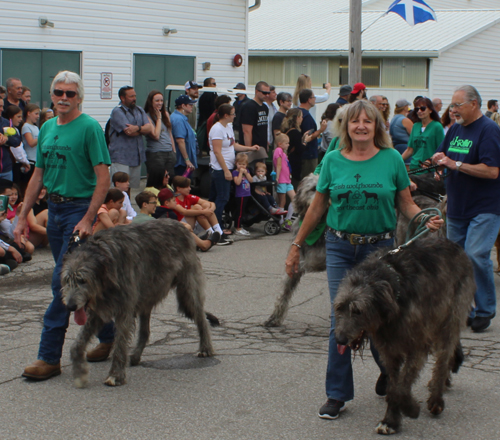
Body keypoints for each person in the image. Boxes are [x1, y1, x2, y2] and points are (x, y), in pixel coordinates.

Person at [284, 99, 442, 420]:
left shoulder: (392, 159)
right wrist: (296, 244)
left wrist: (425, 218)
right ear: (346, 127)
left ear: (376, 126)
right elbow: (316, 207)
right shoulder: (332, 160)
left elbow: (406, 204)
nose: (360, 126)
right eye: (354, 121)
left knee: (380, 318)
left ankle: (388, 369)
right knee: (340, 320)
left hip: (379, 250)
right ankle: (337, 394)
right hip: (340, 247)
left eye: (367, 122)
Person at [14, 70, 116, 380]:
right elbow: (38, 176)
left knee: (63, 284)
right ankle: (110, 336)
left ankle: (48, 358)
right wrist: (22, 216)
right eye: (58, 92)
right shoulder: (45, 127)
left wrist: (88, 218)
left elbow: (103, 178)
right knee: (78, 282)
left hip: (77, 212)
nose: (63, 98)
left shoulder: (89, 129)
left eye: (70, 94)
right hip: (55, 211)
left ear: (79, 97)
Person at [432, 85, 500, 333]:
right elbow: (443, 153)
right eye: (452, 105)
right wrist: (438, 162)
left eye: (457, 105)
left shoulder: (489, 131)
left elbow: (492, 171)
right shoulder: (455, 130)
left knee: (475, 254)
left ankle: (485, 309)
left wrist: (455, 164)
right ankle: (465, 308)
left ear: (474, 104)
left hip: (485, 207)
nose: (453, 110)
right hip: (457, 206)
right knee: (456, 260)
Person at [208, 103, 259, 243]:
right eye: (232, 113)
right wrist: (225, 170)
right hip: (220, 169)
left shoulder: (228, 127)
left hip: (229, 166)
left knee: (216, 198)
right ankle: (217, 229)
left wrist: (249, 148)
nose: (234, 116)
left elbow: (233, 145)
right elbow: (217, 151)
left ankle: (213, 226)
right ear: (226, 115)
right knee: (221, 198)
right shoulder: (217, 129)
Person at [108, 85, 153, 188]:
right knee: (119, 188)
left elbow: (149, 128)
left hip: (136, 157)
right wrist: (142, 129)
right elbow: (129, 132)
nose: (134, 99)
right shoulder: (117, 112)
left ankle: (127, 205)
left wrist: (137, 128)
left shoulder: (139, 110)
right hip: (121, 158)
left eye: (135, 96)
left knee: (131, 188)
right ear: (122, 98)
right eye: (131, 96)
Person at [402, 97, 444, 171]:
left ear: (430, 110)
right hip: (414, 168)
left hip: (429, 169)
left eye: (423, 108)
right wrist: (397, 160)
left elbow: (441, 150)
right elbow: (409, 150)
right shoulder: (415, 126)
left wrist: (433, 164)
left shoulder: (437, 126)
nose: (419, 111)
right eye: (417, 109)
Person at [143, 89, 176, 178]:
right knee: (157, 179)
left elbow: (169, 133)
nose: (160, 103)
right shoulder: (146, 116)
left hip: (169, 152)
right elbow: (156, 135)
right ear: (151, 102)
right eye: (157, 101)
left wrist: (174, 151)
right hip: (156, 153)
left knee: (169, 179)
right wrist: (158, 119)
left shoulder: (165, 114)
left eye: (161, 100)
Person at [298, 89, 327, 179]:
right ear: (309, 99)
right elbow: (308, 137)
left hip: (302, 153)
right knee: (309, 180)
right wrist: (321, 130)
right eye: (314, 97)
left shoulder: (298, 112)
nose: (315, 99)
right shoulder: (306, 116)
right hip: (308, 154)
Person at [280, 108, 311, 189]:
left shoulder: (287, 130)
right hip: (294, 164)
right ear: (297, 118)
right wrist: (305, 141)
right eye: (301, 116)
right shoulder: (295, 133)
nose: (302, 119)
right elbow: (299, 149)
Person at [273, 133, 296, 231]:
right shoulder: (278, 151)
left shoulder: (283, 153)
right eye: (286, 143)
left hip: (287, 180)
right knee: (282, 201)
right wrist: (277, 177)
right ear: (279, 143)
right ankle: (281, 221)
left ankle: (288, 219)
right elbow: (278, 165)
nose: (288, 145)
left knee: (295, 199)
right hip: (282, 180)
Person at [171, 95, 198, 176]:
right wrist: (187, 160)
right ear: (183, 106)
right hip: (181, 163)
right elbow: (180, 141)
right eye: (190, 105)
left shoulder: (182, 118)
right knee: (183, 185)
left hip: (184, 162)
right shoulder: (178, 119)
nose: (192, 107)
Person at [240, 81, 270, 150]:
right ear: (257, 91)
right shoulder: (249, 106)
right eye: (264, 93)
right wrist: (249, 149)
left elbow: (263, 128)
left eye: (268, 93)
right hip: (253, 147)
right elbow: (246, 131)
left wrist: (266, 144)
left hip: (262, 147)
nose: (267, 95)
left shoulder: (265, 107)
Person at [232, 153, 253, 236]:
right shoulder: (235, 172)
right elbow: (237, 182)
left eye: (243, 164)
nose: (241, 166)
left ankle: (240, 226)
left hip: (247, 194)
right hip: (240, 195)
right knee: (239, 212)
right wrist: (240, 173)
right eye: (239, 164)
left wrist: (246, 173)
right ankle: (237, 228)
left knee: (243, 211)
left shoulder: (247, 171)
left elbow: (251, 180)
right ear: (236, 163)